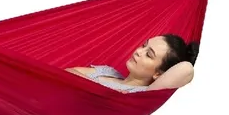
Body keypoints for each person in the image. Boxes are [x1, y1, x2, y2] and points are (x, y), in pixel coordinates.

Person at [65, 34, 199, 92]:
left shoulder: (141, 96)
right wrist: (104, 91)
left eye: (148, 55)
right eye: (144, 45)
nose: (139, 52)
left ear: (158, 74)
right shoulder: (108, 71)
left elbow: (186, 69)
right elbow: (65, 74)